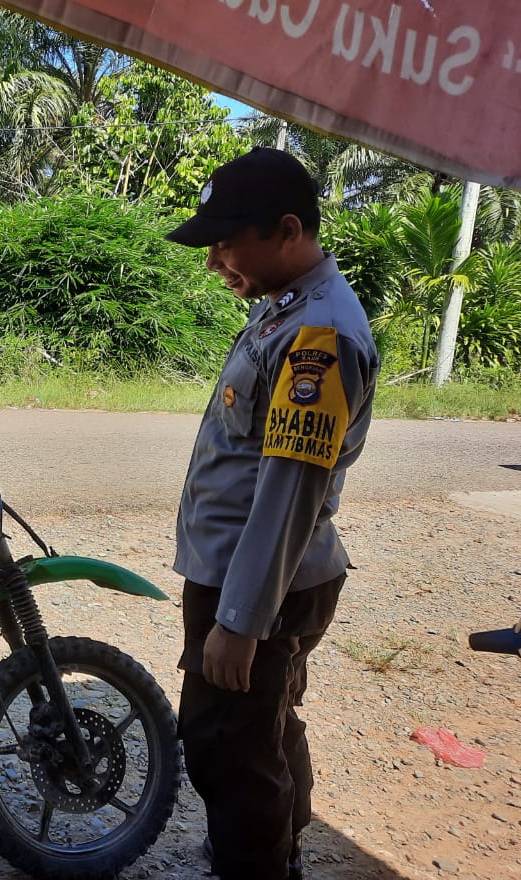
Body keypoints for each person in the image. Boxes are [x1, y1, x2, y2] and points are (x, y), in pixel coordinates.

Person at [166, 147, 381, 880]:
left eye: (228, 243)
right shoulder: (283, 309)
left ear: (289, 230)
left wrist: (239, 621)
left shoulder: (318, 333)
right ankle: (276, 848)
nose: (214, 261)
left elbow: (290, 490)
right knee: (266, 726)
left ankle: (257, 861)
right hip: (255, 577)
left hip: (259, 585)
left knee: (228, 748)